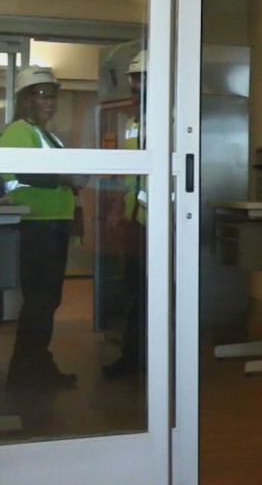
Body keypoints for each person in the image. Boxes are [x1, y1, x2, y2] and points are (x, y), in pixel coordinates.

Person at [1, 65, 78, 390]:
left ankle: (33, 365)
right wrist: (62, 179)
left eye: (53, 95)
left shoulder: (47, 135)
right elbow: (10, 171)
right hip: (35, 226)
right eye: (42, 95)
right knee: (41, 301)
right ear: (26, 99)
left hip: (52, 224)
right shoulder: (20, 131)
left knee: (46, 301)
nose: (50, 102)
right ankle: (27, 370)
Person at [102, 50, 147, 379]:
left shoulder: (173, 119)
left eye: (141, 83)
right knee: (135, 291)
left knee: (148, 295)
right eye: (133, 84)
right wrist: (118, 207)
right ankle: (134, 357)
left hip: (161, 225)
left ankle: (142, 359)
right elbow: (130, 174)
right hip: (137, 224)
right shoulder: (133, 124)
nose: (135, 91)